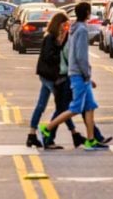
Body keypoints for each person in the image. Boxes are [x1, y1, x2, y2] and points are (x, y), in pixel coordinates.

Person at [39, 1, 108, 151]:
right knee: (76, 108)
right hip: (79, 74)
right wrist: (86, 74)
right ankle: (48, 127)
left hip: (77, 73)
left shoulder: (74, 28)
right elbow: (81, 55)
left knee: (89, 107)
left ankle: (91, 140)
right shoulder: (82, 30)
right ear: (87, 13)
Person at [28, 12, 80, 150]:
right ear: (58, 24)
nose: (66, 27)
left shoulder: (57, 37)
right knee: (62, 108)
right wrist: (60, 44)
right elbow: (49, 56)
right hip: (50, 76)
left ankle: (32, 134)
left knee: (42, 105)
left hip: (48, 75)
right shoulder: (51, 38)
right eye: (64, 24)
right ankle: (55, 137)